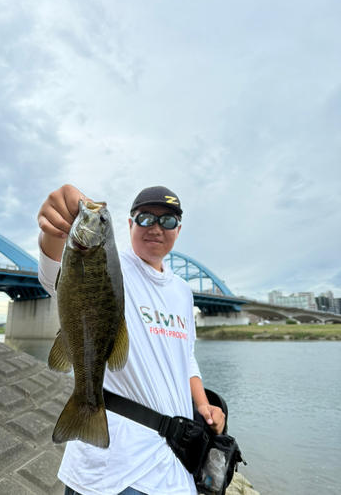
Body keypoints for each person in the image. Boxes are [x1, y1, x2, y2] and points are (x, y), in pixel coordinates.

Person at [37, 184, 225, 495]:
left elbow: (185, 356)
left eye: (167, 221)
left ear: (178, 229)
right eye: (145, 218)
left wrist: (204, 406)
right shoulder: (113, 264)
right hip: (114, 471)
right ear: (128, 225)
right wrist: (55, 229)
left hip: (175, 467)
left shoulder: (182, 290)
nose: (156, 228)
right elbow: (54, 271)